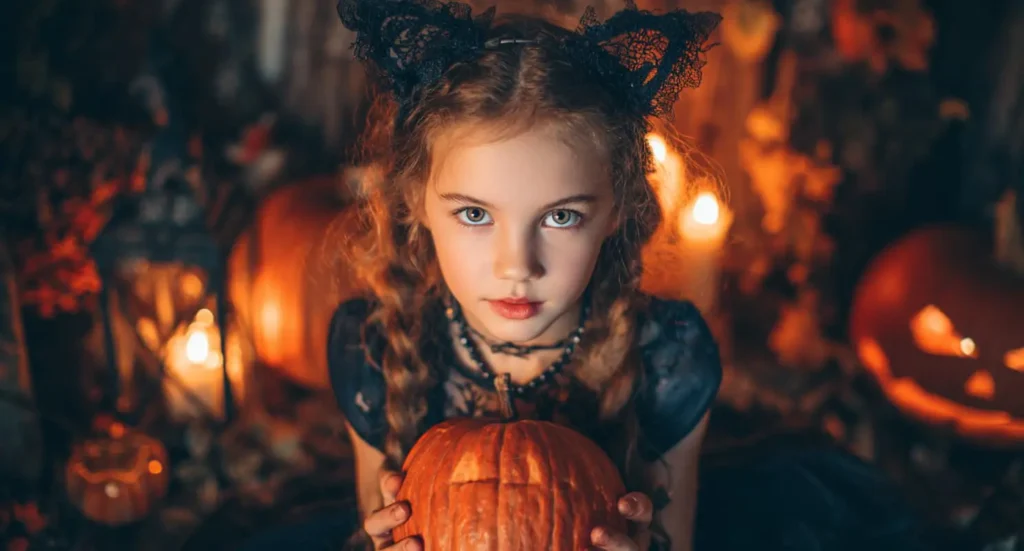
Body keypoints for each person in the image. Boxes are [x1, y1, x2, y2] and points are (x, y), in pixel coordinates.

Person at [239, 1, 931, 550]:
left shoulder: (666, 359)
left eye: (561, 217)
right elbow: (373, 529)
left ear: (616, 212)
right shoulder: (375, 347)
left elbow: (676, 540)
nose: (517, 264)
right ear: (417, 203)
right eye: (475, 214)